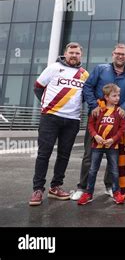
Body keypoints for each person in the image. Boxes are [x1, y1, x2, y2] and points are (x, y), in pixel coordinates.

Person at [71, 44, 125, 201]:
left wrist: (124, 107)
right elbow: (87, 87)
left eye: (123, 54)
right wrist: (94, 105)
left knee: (112, 156)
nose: (119, 56)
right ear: (112, 54)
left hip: (117, 122)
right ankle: (83, 187)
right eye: (117, 53)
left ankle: (110, 185)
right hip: (97, 120)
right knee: (89, 155)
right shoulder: (100, 69)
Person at [29, 42, 89, 206]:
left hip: (72, 120)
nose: (74, 55)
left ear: (80, 55)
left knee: (64, 155)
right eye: (71, 52)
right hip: (50, 117)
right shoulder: (53, 68)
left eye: (77, 53)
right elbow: (38, 87)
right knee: (44, 153)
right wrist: (46, 104)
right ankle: (38, 189)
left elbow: (84, 96)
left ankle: (55, 187)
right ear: (65, 53)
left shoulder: (84, 74)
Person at [77, 84, 125, 205]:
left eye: (118, 95)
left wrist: (113, 139)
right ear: (106, 97)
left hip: (112, 146)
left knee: (114, 171)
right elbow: (90, 125)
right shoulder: (98, 110)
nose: (117, 98)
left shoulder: (120, 112)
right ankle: (88, 193)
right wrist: (96, 136)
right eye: (114, 96)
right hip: (97, 146)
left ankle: (116, 193)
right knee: (93, 170)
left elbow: (122, 128)